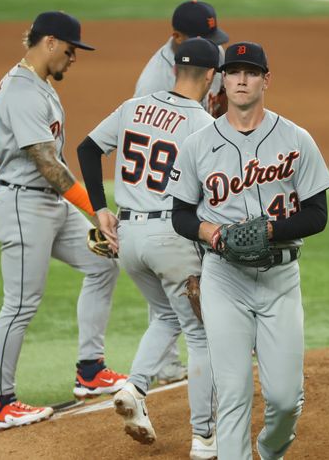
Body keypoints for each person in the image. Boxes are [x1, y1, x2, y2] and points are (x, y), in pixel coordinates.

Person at [168, 42, 329, 460]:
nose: (242, 80)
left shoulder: (297, 139)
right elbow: (181, 215)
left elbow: (317, 215)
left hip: (280, 280)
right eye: (234, 72)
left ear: (265, 80)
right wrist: (213, 233)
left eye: (251, 72)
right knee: (234, 392)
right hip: (225, 279)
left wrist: (269, 229)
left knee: (283, 399)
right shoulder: (199, 144)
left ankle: (271, 449)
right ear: (222, 80)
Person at [77, 37, 220, 458]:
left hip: (128, 238)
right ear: (211, 76)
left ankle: (134, 388)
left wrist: (100, 209)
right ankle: (205, 438)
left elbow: (87, 149)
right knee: (201, 334)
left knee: (164, 315)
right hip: (171, 237)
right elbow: (212, 193)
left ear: (175, 67)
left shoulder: (134, 106)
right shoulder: (202, 123)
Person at [0, 11, 125, 431]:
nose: (73, 58)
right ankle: (0, 403)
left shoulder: (36, 83)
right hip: (24, 206)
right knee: (21, 304)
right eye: (69, 49)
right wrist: (95, 208)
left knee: (103, 263)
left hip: (48, 205)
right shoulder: (22, 93)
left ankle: (90, 370)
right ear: (48, 42)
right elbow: (47, 163)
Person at [134, 0, 230, 386]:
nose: (211, 46)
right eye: (200, 39)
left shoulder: (214, 55)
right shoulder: (152, 83)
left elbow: (219, 105)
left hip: (203, 161)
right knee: (170, 276)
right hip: (165, 180)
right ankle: (164, 364)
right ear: (175, 39)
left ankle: (230, 339)